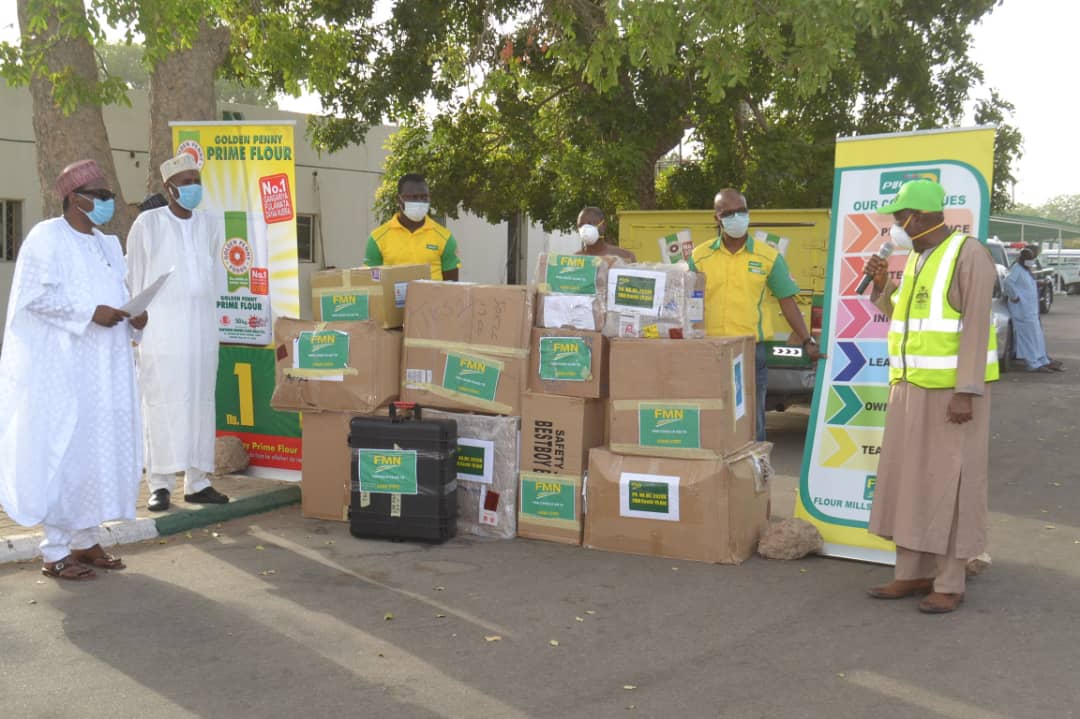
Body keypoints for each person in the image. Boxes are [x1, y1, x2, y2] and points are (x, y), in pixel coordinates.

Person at [0, 159, 147, 580]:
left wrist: (134, 316)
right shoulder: (46, 238)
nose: (106, 200)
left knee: (97, 451)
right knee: (65, 449)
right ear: (74, 198)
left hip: (109, 367)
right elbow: (31, 298)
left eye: (108, 194)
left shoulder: (107, 244)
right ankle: (55, 550)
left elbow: (119, 294)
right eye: (99, 194)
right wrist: (87, 313)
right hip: (66, 366)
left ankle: (84, 539)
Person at [863, 179, 998, 614]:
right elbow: (898, 314)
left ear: (920, 217)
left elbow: (976, 325)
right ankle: (913, 572)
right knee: (912, 481)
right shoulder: (920, 258)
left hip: (951, 396)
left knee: (951, 482)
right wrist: (880, 284)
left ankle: (951, 580)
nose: (895, 228)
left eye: (899, 219)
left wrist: (966, 391)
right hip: (909, 389)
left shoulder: (968, 254)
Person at [126, 153, 229, 512]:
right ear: (169, 188)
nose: (193, 187)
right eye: (186, 182)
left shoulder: (209, 224)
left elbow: (214, 273)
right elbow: (135, 276)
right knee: (161, 403)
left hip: (201, 328)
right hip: (161, 330)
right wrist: (135, 321)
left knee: (201, 400)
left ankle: (197, 481)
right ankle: (160, 485)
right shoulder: (148, 223)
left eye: (196, 180)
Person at [688, 188, 821, 441]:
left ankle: (753, 474)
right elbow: (686, 301)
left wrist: (807, 340)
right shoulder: (700, 256)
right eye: (729, 213)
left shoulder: (768, 256)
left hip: (750, 352)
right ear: (717, 218)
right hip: (707, 350)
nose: (737, 217)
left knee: (751, 424)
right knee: (708, 420)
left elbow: (787, 301)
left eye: (741, 211)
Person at [364, 173, 460, 280]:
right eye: (413, 197)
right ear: (398, 199)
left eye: (424, 197)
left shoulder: (445, 238)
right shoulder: (377, 239)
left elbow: (453, 287)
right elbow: (372, 283)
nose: (419, 202)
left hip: (433, 297)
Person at [1004, 246, 1064, 373]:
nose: (1032, 261)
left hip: (1030, 311)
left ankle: (1043, 360)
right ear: (1024, 259)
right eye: (1030, 259)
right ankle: (1033, 363)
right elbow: (1008, 283)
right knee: (1027, 338)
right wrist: (1014, 297)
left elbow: (1024, 286)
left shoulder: (1026, 270)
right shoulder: (1017, 269)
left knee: (1036, 336)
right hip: (1021, 310)